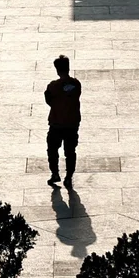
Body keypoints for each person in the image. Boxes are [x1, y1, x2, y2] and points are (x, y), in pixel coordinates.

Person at [44, 55, 82, 188]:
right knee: (70, 152)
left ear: (57, 70)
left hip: (56, 123)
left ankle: (55, 173)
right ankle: (68, 177)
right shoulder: (76, 84)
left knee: (52, 149)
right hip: (72, 124)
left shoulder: (52, 86)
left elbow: (48, 101)